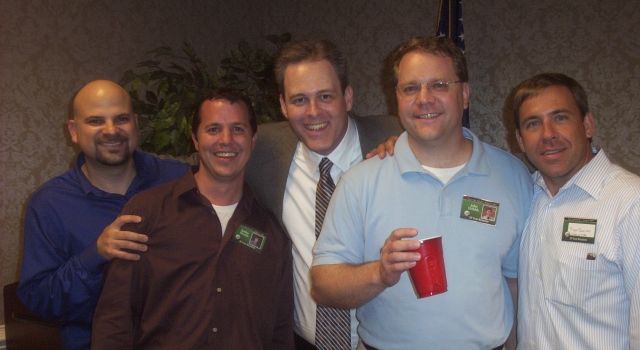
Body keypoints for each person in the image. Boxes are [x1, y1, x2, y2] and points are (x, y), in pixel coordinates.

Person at [310, 37, 532, 349]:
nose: (424, 99)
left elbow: (515, 283)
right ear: (396, 98)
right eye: (410, 88)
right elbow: (322, 285)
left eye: (439, 85)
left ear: (465, 93)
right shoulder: (361, 180)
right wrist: (379, 272)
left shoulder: (513, 177)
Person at [91, 88, 294, 349]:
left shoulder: (272, 231)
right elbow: (114, 318)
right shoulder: (148, 212)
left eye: (238, 129)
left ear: (253, 139)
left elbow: (280, 330)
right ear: (195, 140)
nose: (226, 140)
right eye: (213, 129)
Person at [245, 40, 403, 350]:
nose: (313, 112)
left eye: (325, 96)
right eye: (299, 99)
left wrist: (408, 147)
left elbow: (454, 147)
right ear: (282, 105)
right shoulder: (261, 149)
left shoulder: (399, 140)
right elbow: (204, 170)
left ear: (347, 96)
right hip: (303, 341)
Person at [16, 80, 189, 350]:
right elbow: (39, 300)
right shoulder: (49, 203)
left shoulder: (179, 179)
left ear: (135, 124)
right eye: (96, 121)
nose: (111, 131)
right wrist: (95, 255)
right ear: (73, 131)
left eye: (121, 119)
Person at [513, 73, 640, 349]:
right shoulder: (523, 197)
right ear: (521, 141)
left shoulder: (631, 202)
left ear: (587, 125)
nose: (547, 135)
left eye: (560, 118)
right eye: (533, 124)